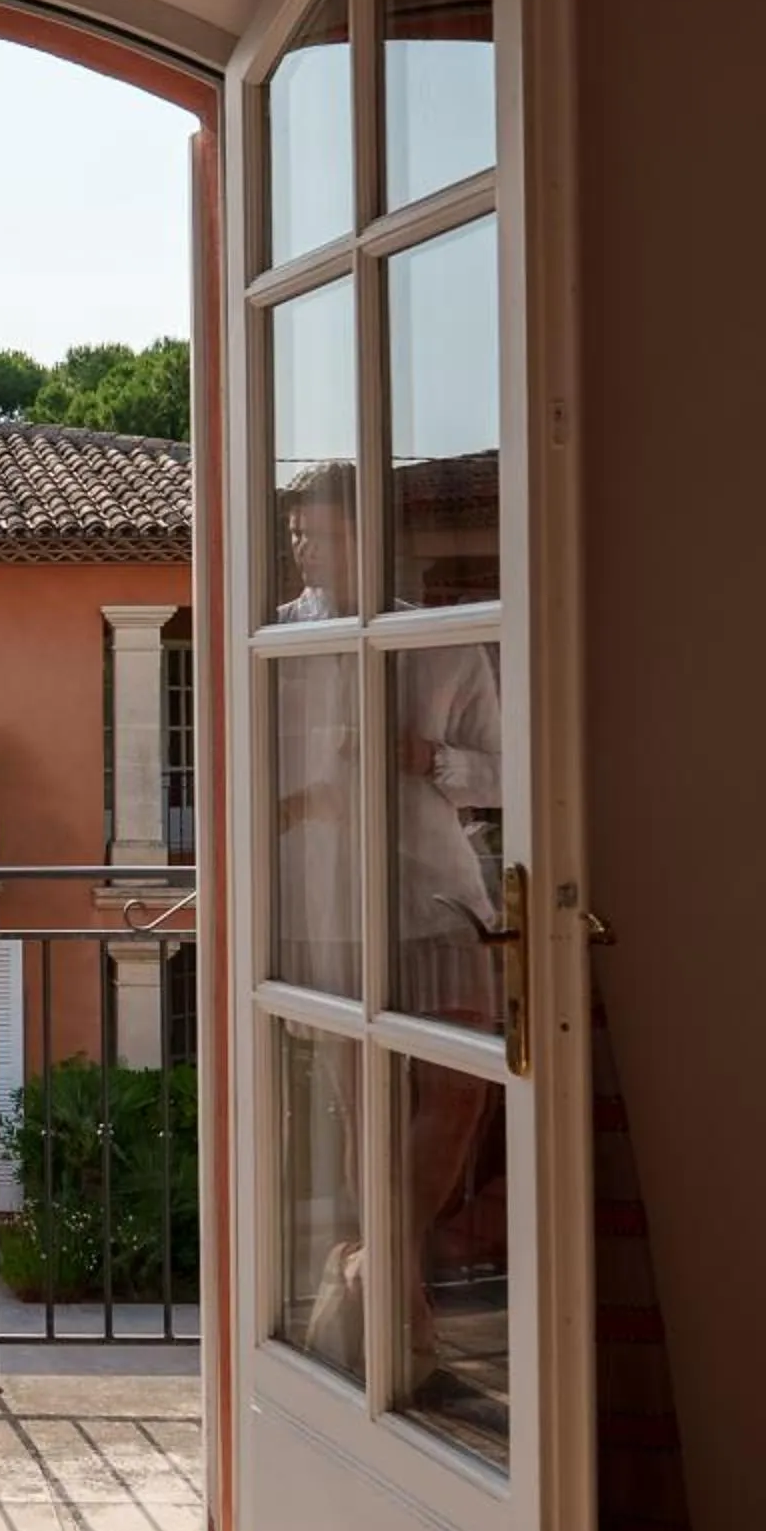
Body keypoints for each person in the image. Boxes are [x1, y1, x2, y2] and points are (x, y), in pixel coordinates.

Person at [274, 468, 504, 1378]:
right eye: (298, 535)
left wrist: (427, 758)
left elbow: (505, 772)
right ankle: (399, 1311)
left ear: (371, 535)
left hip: (437, 895)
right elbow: (253, 779)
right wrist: (307, 801)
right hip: (328, 903)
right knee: (364, 1108)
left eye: (323, 533)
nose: (306, 549)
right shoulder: (278, 644)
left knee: (462, 1090)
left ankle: (375, 1264)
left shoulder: (441, 645)